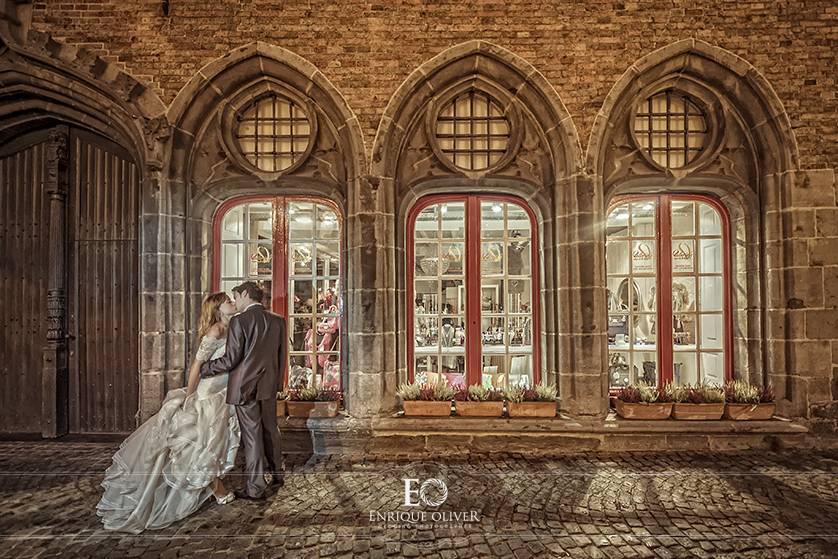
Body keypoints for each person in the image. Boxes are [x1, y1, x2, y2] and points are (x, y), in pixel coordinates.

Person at [96, 293, 240, 534]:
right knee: (198, 444)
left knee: (211, 444)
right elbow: (197, 366)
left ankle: (214, 486)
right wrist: (190, 395)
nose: (232, 302)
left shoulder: (233, 326)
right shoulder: (214, 331)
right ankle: (217, 489)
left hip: (222, 394)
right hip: (207, 395)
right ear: (218, 308)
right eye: (227, 300)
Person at [200, 281, 286, 500]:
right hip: (268, 386)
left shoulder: (240, 321)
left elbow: (231, 359)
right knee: (271, 430)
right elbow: (281, 357)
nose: (236, 302)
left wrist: (207, 367)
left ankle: (256, 487)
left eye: (236, 297)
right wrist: (277, 385)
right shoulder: (278, 321)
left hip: (244, 388)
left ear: (246, 294)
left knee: (252, 436)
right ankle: (277, 474)